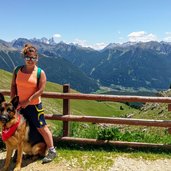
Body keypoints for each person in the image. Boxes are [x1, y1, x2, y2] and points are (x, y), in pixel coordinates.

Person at [10, 43, 57, 163]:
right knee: (20, 129)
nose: (30, 60)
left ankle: (52, 151)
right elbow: (13, 86)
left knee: (41, 127)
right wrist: (13, 102)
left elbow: (41, 90)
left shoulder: (40, 72)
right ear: (24, 57)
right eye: (28, 58)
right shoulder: (17, 70)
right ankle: (19, 150)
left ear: (37, 58)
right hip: (20, 106)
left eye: (33, 58)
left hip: (35, 105)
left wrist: (27, 101)